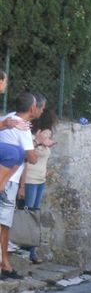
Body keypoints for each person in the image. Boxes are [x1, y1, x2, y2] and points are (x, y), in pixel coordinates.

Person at [0, 92, 38, 280]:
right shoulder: (23, 129)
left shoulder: (7, 118)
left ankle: (5, 263)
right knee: (4, 224)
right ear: (32, 109)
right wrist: (38, 142)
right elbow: (32, 158)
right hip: (10, 179)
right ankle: (4, 265)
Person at [21, 108, 57, 264]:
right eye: (48, 133)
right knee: (28, 215)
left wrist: (47, 172)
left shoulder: (46, 136)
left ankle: (31, 251)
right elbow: (27, 159)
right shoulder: (35, 135)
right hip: (30, 179)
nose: (49, 135)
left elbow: (44, 159)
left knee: (35, 215)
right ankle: (27, 251)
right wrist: (22, 185)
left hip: (40, 180)